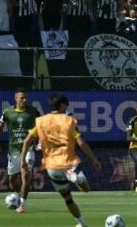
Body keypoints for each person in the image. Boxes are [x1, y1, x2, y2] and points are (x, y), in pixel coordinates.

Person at [20, 94, 101, 227]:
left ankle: (82, 223)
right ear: (62, 105)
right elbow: (81, 142)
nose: (67, 106)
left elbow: (27, 141)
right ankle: (75, 178)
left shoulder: (41, 121)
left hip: (52, 166)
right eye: (66, 104)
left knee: (67, 199)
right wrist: (94, 159)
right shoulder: (69, 120)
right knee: (85, 189)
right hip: (69, 161)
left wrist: (23, 160)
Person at [0, 87, 40, 213]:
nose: (24, 100)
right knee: (12, 178)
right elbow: (0, 126)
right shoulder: (8, 111)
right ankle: (19, 195)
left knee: (25, 174)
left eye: (26, 98)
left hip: (29, 148)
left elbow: (41, 126)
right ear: (16, 99)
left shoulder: (34, 111)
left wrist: (41, 141)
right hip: (13, 149)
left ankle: (22, 204)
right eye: (22, 98)